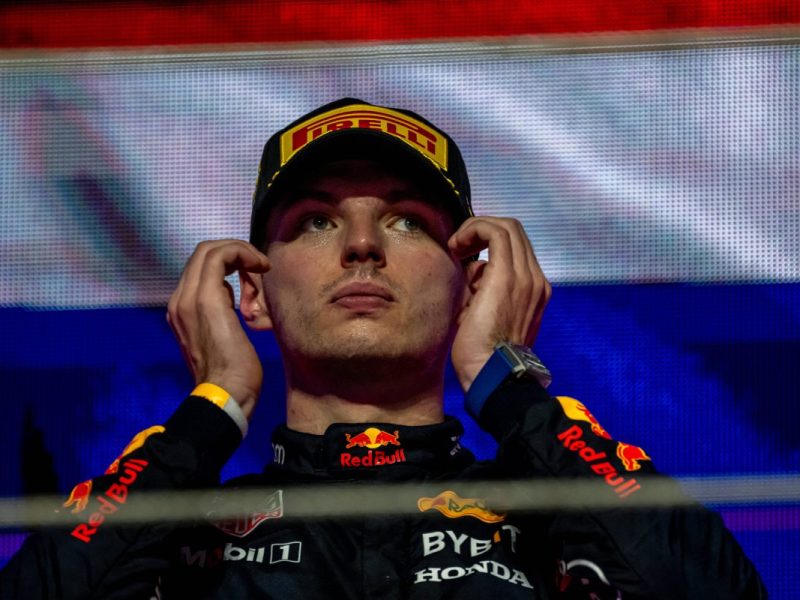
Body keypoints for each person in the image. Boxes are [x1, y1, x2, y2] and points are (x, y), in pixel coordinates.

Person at [1, 98, 765, 599]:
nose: (363, 245)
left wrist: (508, 384)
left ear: (470, 286)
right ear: (252, 292)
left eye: (407, 221)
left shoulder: (552, 516)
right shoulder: (182, 531)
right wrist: (214, 405)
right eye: (315, 221)